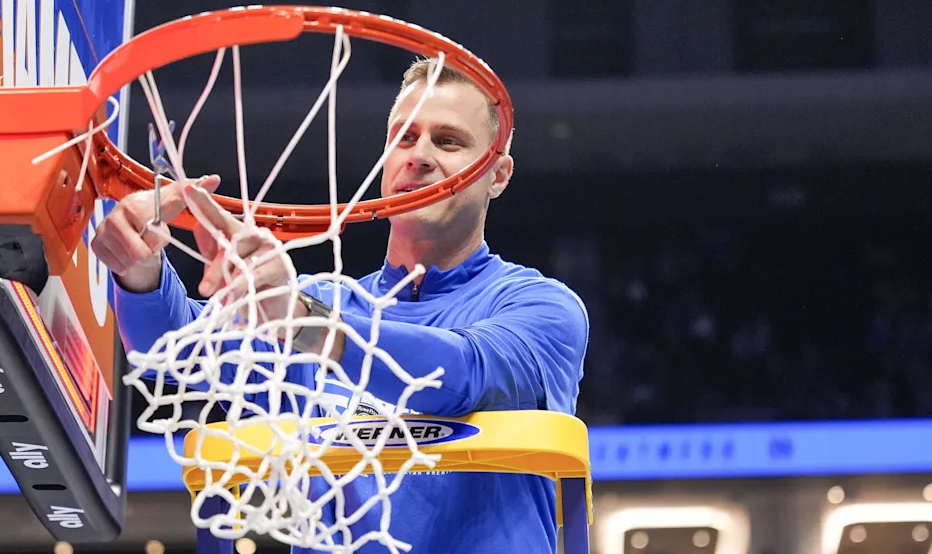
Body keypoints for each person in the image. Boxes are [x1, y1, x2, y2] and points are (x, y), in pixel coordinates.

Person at [93, 59, 590, 554]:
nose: (418, 156)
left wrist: (306, 325)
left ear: (498, 174)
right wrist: (139, 271)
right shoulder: (324, 300)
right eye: (404, 137)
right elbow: (176, 350)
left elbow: (463, 373)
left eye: (448, 141)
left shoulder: (543, 307)